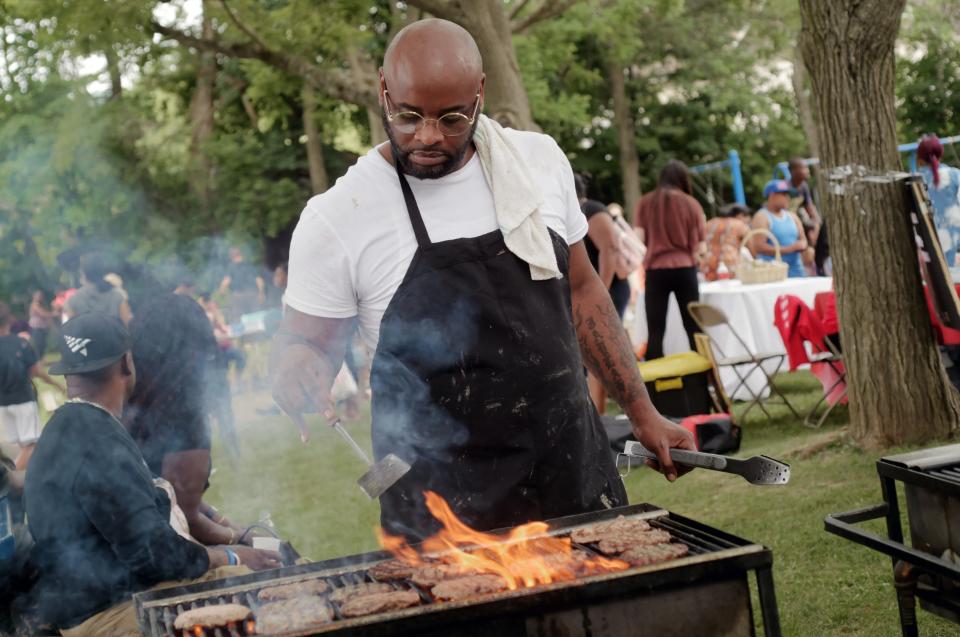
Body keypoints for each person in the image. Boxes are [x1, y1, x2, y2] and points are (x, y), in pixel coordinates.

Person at [271, 19, 693, 542]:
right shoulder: (338, 216)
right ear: (383, 89)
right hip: (444, 511)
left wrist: (640, 408)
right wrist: (295, 371)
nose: (427, 136)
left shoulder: (539, 163)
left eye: (451, 118)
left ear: (480, 95)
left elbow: (582, 292)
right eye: (407, 116)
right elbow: (302, 346)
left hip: (571, 473)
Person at [25, 313, 280, 636]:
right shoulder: (96, 441)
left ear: (68, 374)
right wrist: (230, 555)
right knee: (269, 593)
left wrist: (228, 533)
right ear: (126, 364)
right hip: (110, 614)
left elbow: (148, 507)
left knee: (269, 573)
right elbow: (154, 554)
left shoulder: (73, 425)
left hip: (115, 596)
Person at [124, 294, 244, 542]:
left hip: (101, 550)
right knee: (274, 551)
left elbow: (169, 491)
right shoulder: (186, 415)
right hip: (152, 551)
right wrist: (244, 540)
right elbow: (185, 518)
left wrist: (221, 520)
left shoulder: (122, 397)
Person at [634, 160, 706, 360]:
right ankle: (702, 379)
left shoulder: (645, 202)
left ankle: (655, 386)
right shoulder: (691, 203)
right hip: (685, 269)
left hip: (656, 270)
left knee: (655, 330)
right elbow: (700, 245)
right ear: (683, 179)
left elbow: (638, 239)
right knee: (693, 327)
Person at [0, 302, 64, 470]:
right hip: (23, 401)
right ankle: (9, 479)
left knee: (24, 445)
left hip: (3, 404)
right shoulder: (20, 343)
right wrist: (58, 385)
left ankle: (24, 478)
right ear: (9, 320)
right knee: (32, 446)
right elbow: (37, 371)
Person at [916, 135, 960, 267]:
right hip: (953, 244)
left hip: (924, 247)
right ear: (941, 154)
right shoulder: (954, 175)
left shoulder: (914, 180)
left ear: (919, 159)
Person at [752, 179, 808, 278]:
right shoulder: (762, 217)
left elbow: (803, 240)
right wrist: (789, 249)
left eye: (788, 194)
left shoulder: (792, 216)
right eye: (784, 194)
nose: (787, 198)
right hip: (772, 273)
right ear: (772, 195)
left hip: (796, 270)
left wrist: (802, 245)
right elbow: (759, 247)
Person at [64, 254, 133, 325]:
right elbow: (127, 324)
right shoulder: (117, 296)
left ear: (83, 274)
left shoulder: (73, 300)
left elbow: (71, 331)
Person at [700, 203, 752, 281]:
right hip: (730, 265)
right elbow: (751, 245)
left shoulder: (710, 223)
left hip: (708, 265)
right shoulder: (739, 224)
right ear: (740, 215)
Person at [218, 247, 266, 321]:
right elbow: (259, 280)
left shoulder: (231, 266)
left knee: (238, 319)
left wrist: (222, 291)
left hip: (238, 297)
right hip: (252, 295)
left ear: (231, 256)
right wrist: (261, 293)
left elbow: (226, 281)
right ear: (241, 254)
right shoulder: (250, 265)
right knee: (256, 316)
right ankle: (258, 332)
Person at [28, 290, 57, 356]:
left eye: (41, 295)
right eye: (38, 295)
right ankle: (38, 361)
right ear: (34, 296)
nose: (40, 297)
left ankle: (40, 360)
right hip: (36, 328)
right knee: (39, 345)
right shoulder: (34, 304)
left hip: (41, 328)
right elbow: (43, 313)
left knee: (42, 345)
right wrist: (54, 314)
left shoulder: (40, 304)